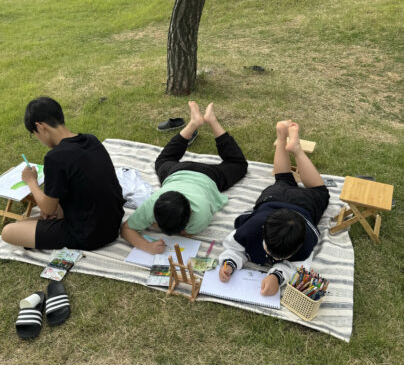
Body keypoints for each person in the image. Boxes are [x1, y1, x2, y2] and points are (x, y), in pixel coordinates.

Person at [218, 120, 329, 296]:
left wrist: (276, 277)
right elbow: (234, 249)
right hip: (286, 201)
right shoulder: (250, 230)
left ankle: (283, 137)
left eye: (281, 257)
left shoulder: (306, 241)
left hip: (281, 198)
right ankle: (295, 149)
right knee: (317, 190)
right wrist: (229, 264)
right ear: (263, 231)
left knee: (288, 181)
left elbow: (297, 268)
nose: (275, 259)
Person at [121, 101, 248, 254]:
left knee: (164, 160)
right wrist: (147, 246)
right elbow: (125, 229)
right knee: (236, 163)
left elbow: (128, 228)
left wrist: (153, 231)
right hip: (182, 173)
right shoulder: (151, 205)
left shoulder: (200, 216)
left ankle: (198, 123)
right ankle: (206, 122)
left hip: (202, 175)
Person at [1, 97, 124, 250]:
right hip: (112, 224)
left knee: (8, 232)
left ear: (40, 127)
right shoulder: (91, 139)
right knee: (24, 223)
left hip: (89, 234)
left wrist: (31, 181)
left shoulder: (55, 157)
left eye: (35, 134)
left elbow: (47, 209)